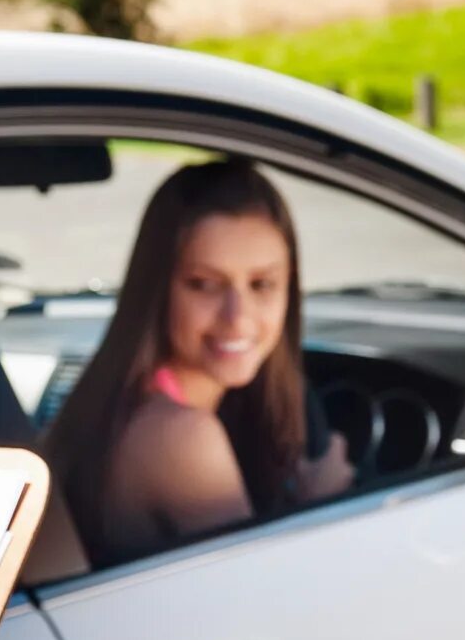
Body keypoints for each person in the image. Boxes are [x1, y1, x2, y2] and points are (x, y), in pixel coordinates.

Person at [43, 159, 356, 567]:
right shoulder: (182, 437)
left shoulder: (127, 399)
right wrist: (325, 502)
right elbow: (263, 598)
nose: (238, 316)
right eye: (205, 285)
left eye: (262, 284)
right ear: (158, 290)